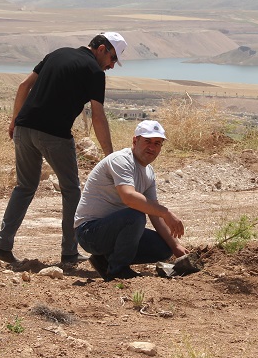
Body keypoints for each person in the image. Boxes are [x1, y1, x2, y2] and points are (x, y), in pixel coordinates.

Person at [0, 32, 127, 266]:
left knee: (24, 187)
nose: (112, 66)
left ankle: (2, 245)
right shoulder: (94, 72)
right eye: (112, 59)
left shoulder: (57, 54)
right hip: (54, 135)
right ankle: (69, 252)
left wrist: (15, 120)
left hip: (24, 129)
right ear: (102, 49)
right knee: (72, 190)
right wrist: (110, 156)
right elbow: (98, 116)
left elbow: (24, 86)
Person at [74, 120, 187, 281]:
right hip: (89, 232)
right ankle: (117, 270)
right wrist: (166, 212)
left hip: (111, 230)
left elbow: (153, 212)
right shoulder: (121, 160)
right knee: (135, 216)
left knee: (163, 248)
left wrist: (175, 246)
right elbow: (129, 198)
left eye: (157, 143)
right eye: (147, 141)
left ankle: (105, 261)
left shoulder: (148, 172)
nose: (152, 147)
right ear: (135, 141)